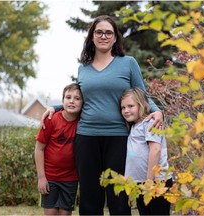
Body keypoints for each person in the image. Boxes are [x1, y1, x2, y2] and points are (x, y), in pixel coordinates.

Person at [40, 15, 164, 215]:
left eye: (108, 32)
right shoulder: (84, 68)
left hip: (119, 138)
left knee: (119, 197)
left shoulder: (128, 63)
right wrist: (56, 107)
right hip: (86, 137)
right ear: (92, 36)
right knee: (89, 198)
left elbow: (142, 94)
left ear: (115, 38)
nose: (103, 36)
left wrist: (158, 111)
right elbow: (80, 98)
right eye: (99, 32)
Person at [120, 87, 172, 215]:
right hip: (141, 184)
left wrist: (149, 180)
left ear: (141, 105)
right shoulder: (134, 126)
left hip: (156, 182)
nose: (126, 110)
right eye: (123, 108)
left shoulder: (150, 122)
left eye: (130, 106)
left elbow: (155, 150)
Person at [34, 83, 83, 215]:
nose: (72, 101)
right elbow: (39, 149)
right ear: (62, 101)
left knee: (65, 214)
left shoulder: (83, 122)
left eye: (77, 98)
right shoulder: (51, 119)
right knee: (50, 213)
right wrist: (41, 177)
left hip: (71, 179)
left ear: (83, 102)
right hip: (50, 178)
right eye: (68, 97)